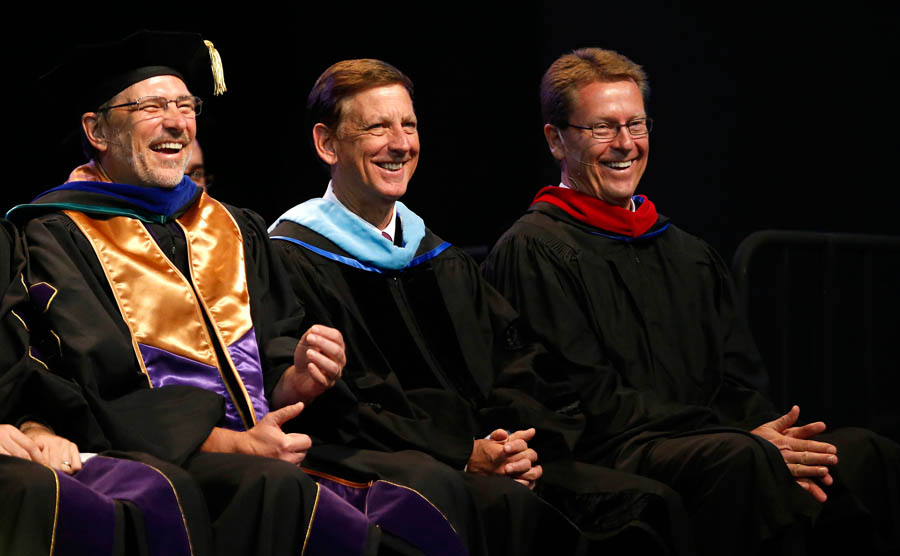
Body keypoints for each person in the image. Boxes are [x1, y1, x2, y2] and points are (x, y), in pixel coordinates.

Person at [9, 31, 462, 555]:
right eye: (153, 106)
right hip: (166, 455)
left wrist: (298, 378)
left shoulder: (232, 226)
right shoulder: (54, 234)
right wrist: (233, 442)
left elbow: (272, 354)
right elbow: (97, 383)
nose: (178, 122)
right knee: (277, 488)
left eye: (185, 104)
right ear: (97, 130)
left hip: (266, 446)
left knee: (429, 482)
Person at [269, 58, 697, 555]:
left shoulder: (439, 258)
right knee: (515, 514)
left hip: (491, 457)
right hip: (397, 470)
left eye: (408, 125)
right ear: (327, 144)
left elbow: (517, 363)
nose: (401, 143)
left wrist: (516, 443)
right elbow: (346, 409)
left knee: (650, 505)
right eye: (377, 127)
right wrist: (464, 453)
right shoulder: (292, 257)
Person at [482, 47, 900, 555]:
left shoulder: (687, 252)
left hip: (715, 442)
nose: (624, 144)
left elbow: (740, 381)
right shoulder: (535, 250)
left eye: (636, 125)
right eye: (601, 128)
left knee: (862, 454)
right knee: (743, 459)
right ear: (556, 139)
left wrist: (764, 432)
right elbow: (584, 400)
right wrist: (746, 439)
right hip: (609, 454)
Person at [0, 217, 216, 556]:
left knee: (160, 487)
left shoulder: (4, 241)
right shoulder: (54, 225)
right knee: (40, 491)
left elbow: (23, 357)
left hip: (17, 434)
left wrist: (35, 426)